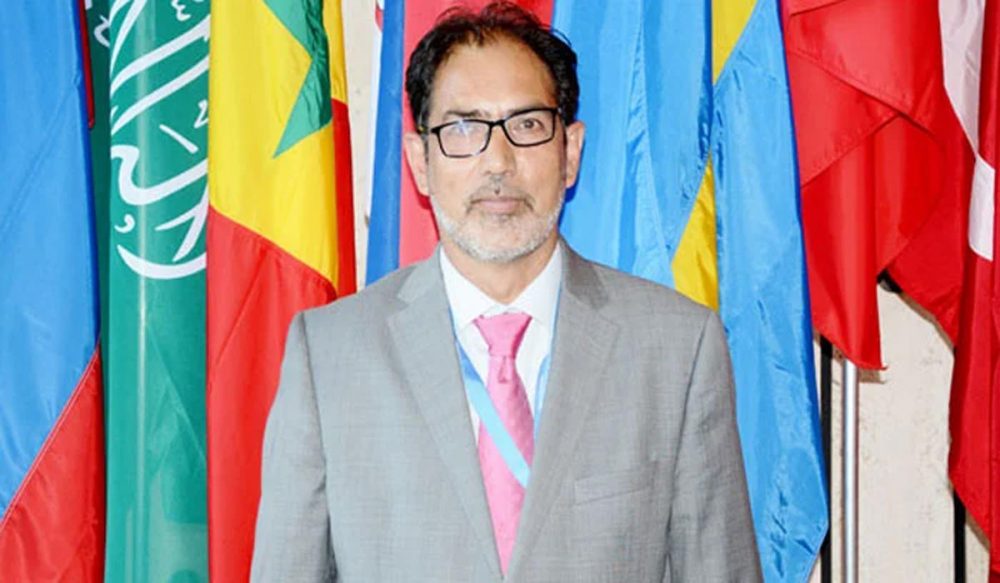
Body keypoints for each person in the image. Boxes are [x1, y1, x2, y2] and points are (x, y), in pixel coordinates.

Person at [250, 3, 761, 581]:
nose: (498, 162)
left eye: (527, 125)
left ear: (570, 152)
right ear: (420, 163)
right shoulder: (330, 355)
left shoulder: (676, 349)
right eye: (463, 129)